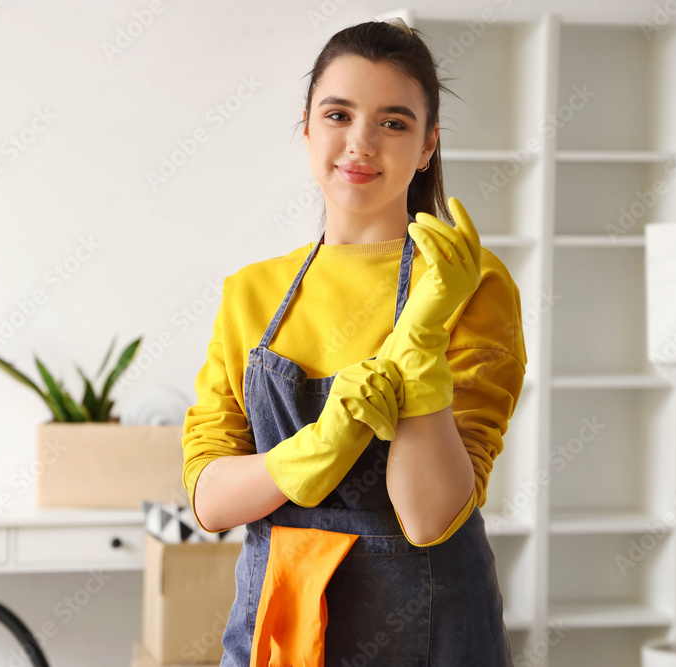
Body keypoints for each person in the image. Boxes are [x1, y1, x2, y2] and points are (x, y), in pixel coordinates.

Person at [181, 17, 527, 666]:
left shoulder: (468, 283)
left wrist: (420, 333)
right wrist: (311, 453)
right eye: (338, 114)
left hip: (432, 633)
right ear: (307, 126)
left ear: (428, 146)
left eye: (394, 122)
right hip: (282, 623)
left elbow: (428, 518)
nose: (360, 143)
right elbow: (209, 497)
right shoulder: (251, 292)